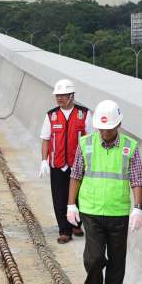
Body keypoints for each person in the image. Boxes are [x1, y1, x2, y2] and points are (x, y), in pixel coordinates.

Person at [67, 99, 142, 284]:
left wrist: (138, 208)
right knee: (94, 257)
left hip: (118, 212)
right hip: (91, 210)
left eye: (109, 128)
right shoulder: (86, 144)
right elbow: (76, 175)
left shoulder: (130, 147)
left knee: (117, 261)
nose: (105, 132)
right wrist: (71, 204)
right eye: (101, 128)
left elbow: (137, 179)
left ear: (118, 125)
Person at [39, 79, 93, 244]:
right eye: (57, 96)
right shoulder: (51, 116)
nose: (59, 98)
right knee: (60, 198)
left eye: (63, 95)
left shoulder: (84, 114)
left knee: (79, 197)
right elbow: (46, 139)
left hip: (78, 164)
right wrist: (43, 160)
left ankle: (76, 223)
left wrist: (90, 162)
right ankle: (64, 230)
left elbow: (91, 140)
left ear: (71, 96)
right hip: (58, 164)